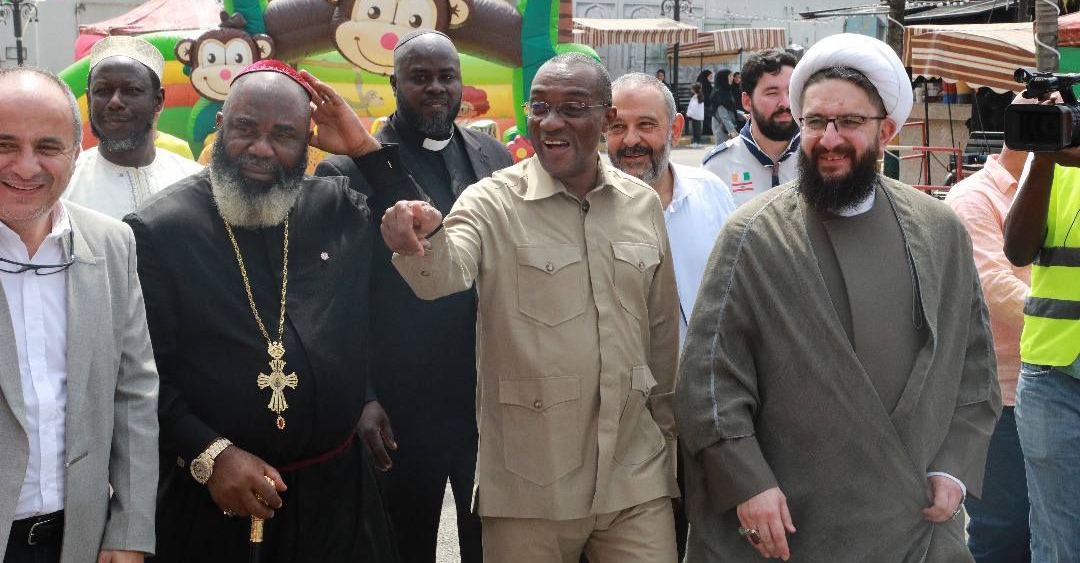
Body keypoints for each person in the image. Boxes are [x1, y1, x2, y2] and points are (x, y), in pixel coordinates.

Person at [677, 33, 1000, 562]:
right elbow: (709, 381)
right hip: (789, 522)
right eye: (815, 122)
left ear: (886, 131)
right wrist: (748, 484)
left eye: (849, 122)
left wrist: (954, 466)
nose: (829, 139)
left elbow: (974, 364)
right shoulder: (753, 235)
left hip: (911, 519)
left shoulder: (939, 229)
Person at [382, 53, 680, 563]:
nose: (552, 122)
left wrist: (670, 442)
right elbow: (443, 273)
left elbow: (661, 335)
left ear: (606, 118)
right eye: (540, 106)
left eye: (573, 107)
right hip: (530, 488)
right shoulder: (491, 202)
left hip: (635, 478)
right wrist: (419, 240)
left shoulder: (640, 204)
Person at [125, 60, 414, 563]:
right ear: (220, 127)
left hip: (339, 495)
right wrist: (209, 455)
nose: (261, 149)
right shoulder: (159, 230)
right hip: (218, 501)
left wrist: (366, 149)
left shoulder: (337, 205)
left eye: (284, 134)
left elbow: (421, 238)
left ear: (309, 141)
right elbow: (144, 376)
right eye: (244, 129)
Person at [316, 30, 512, 563]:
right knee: (401, 546)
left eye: (446, 76)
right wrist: (362, 394)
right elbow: (336, 298)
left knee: (495, 545)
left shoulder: (494, 156)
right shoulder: (346, 170)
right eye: (419, 77)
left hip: (485, 399)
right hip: (399, 409)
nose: (435, 88)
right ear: (393, 83)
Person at [0, 67, 159, 563]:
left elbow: (134, 392)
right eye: (5, 144)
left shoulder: (112, 244)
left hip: (78, 542)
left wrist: (130, 529)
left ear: (75, 152)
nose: (26, 167)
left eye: (48, 147)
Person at [606, 72, 735, 560]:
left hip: (705, 410)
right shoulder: (582, 208)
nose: (631, 141)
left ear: (676, 128)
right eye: (617, 127)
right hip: (625, 422)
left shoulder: (711, 192)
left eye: (647, 125)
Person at [945, 144, 1031, 563]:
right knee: (1004, 527)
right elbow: (992, 286)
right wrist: (1062, 320)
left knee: (1051, 521)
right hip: (1000, 397)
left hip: (1056, 384)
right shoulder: (974, 197)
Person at [1003, 114, 1080, 563]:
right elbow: (1017, 249)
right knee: (1057, 539)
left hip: (1051, 381)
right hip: (1053, 378)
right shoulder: (1054, 165)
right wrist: (1045, 159)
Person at [63, 37, 201, 220]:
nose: (115, 102)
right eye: (102, 91)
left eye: (132, 90)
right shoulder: (63, 188)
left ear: (158, 100)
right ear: (89, 99)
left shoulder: (193, 182)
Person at [702, 50, 800, 207]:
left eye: (791, 92)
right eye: (772, 93)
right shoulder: (717, 168)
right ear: (747, 102)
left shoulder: (820, 159)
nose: (786, 103)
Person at [710, 70, 739, 140]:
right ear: (723, 78)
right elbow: (723, 114)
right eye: (730, 76)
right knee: (724, 149)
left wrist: (742, 115)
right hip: (722, 128)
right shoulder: (718, 94)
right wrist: (732, 131)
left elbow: (730, 109)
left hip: (728, 127)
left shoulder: (726, 92)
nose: (732, 78)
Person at [686, 83, 705, 148]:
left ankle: (696, 142)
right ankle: (698, 142)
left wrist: (688, 114)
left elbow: (693, 107)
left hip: (695, 116)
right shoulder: (700, 96)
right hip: (699, 116)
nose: (691, 90)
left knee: (695, 130)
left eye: (692, 89)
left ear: (695, 89)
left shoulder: (695, 97)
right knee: (698, 130)